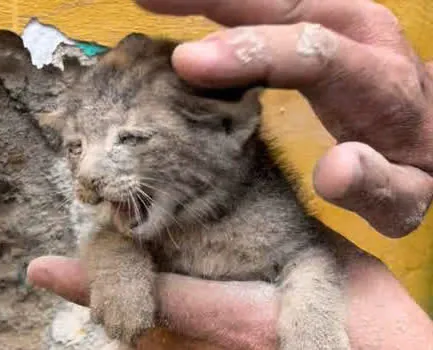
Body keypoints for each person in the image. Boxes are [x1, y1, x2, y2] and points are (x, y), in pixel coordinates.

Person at [27, 0, 433, 348]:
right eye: (76, 147)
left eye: (132, 137)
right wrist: (119, 264)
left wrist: (314, 328)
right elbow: (109, 240)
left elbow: (306, 260)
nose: (88, 172)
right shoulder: (138, 213)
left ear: (227, 131)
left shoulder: (264, 215)